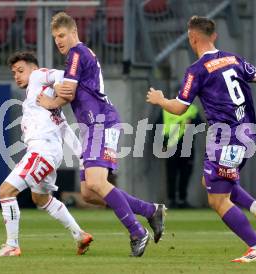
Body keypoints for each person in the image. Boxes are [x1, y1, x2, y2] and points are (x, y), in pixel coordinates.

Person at [146, 16, 256, 263]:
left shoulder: (197, 70)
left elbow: (179, 108)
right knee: (210, 181)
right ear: (214, 36)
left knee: (217, 199)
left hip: (227, 138)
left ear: (192, 38)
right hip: (247, 133)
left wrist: (160, 100)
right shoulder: (234, 59)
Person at [37, 12, 166, 257]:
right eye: (55, 38)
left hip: (100, 123)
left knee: (97, 183)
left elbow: (69, 92)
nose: (59, 41)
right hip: (92, 126)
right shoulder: (83, 54)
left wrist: (49, 101)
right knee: (89, 193)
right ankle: (150, 211)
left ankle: (137, 231)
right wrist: (60, 89)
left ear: (74, 32)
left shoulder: (76, 53)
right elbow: (69, 89)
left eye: (62, 35)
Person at [0, 51, 93, 257]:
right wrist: (82, 158)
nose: (17, 75)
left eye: (21, 70)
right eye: (14, 73)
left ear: (33, 69)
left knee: (5, 192)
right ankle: (80, 234)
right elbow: (66, 130)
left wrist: (58, 87)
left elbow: (60, 74)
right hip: (49, 154)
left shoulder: (38, 78)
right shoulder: (46, 101)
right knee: (41, 199)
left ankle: (12, 245)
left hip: (41, 151)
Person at [162, 104, 201, 208]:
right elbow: (159, 125)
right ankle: (172, 200)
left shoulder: (192, 109)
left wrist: (191, 122)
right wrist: (162, 144)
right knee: (171, 175)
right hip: (171, 146)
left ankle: (182, 200)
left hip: (187, 145)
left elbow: (200, 123)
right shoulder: (166, 108)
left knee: (185, 174)